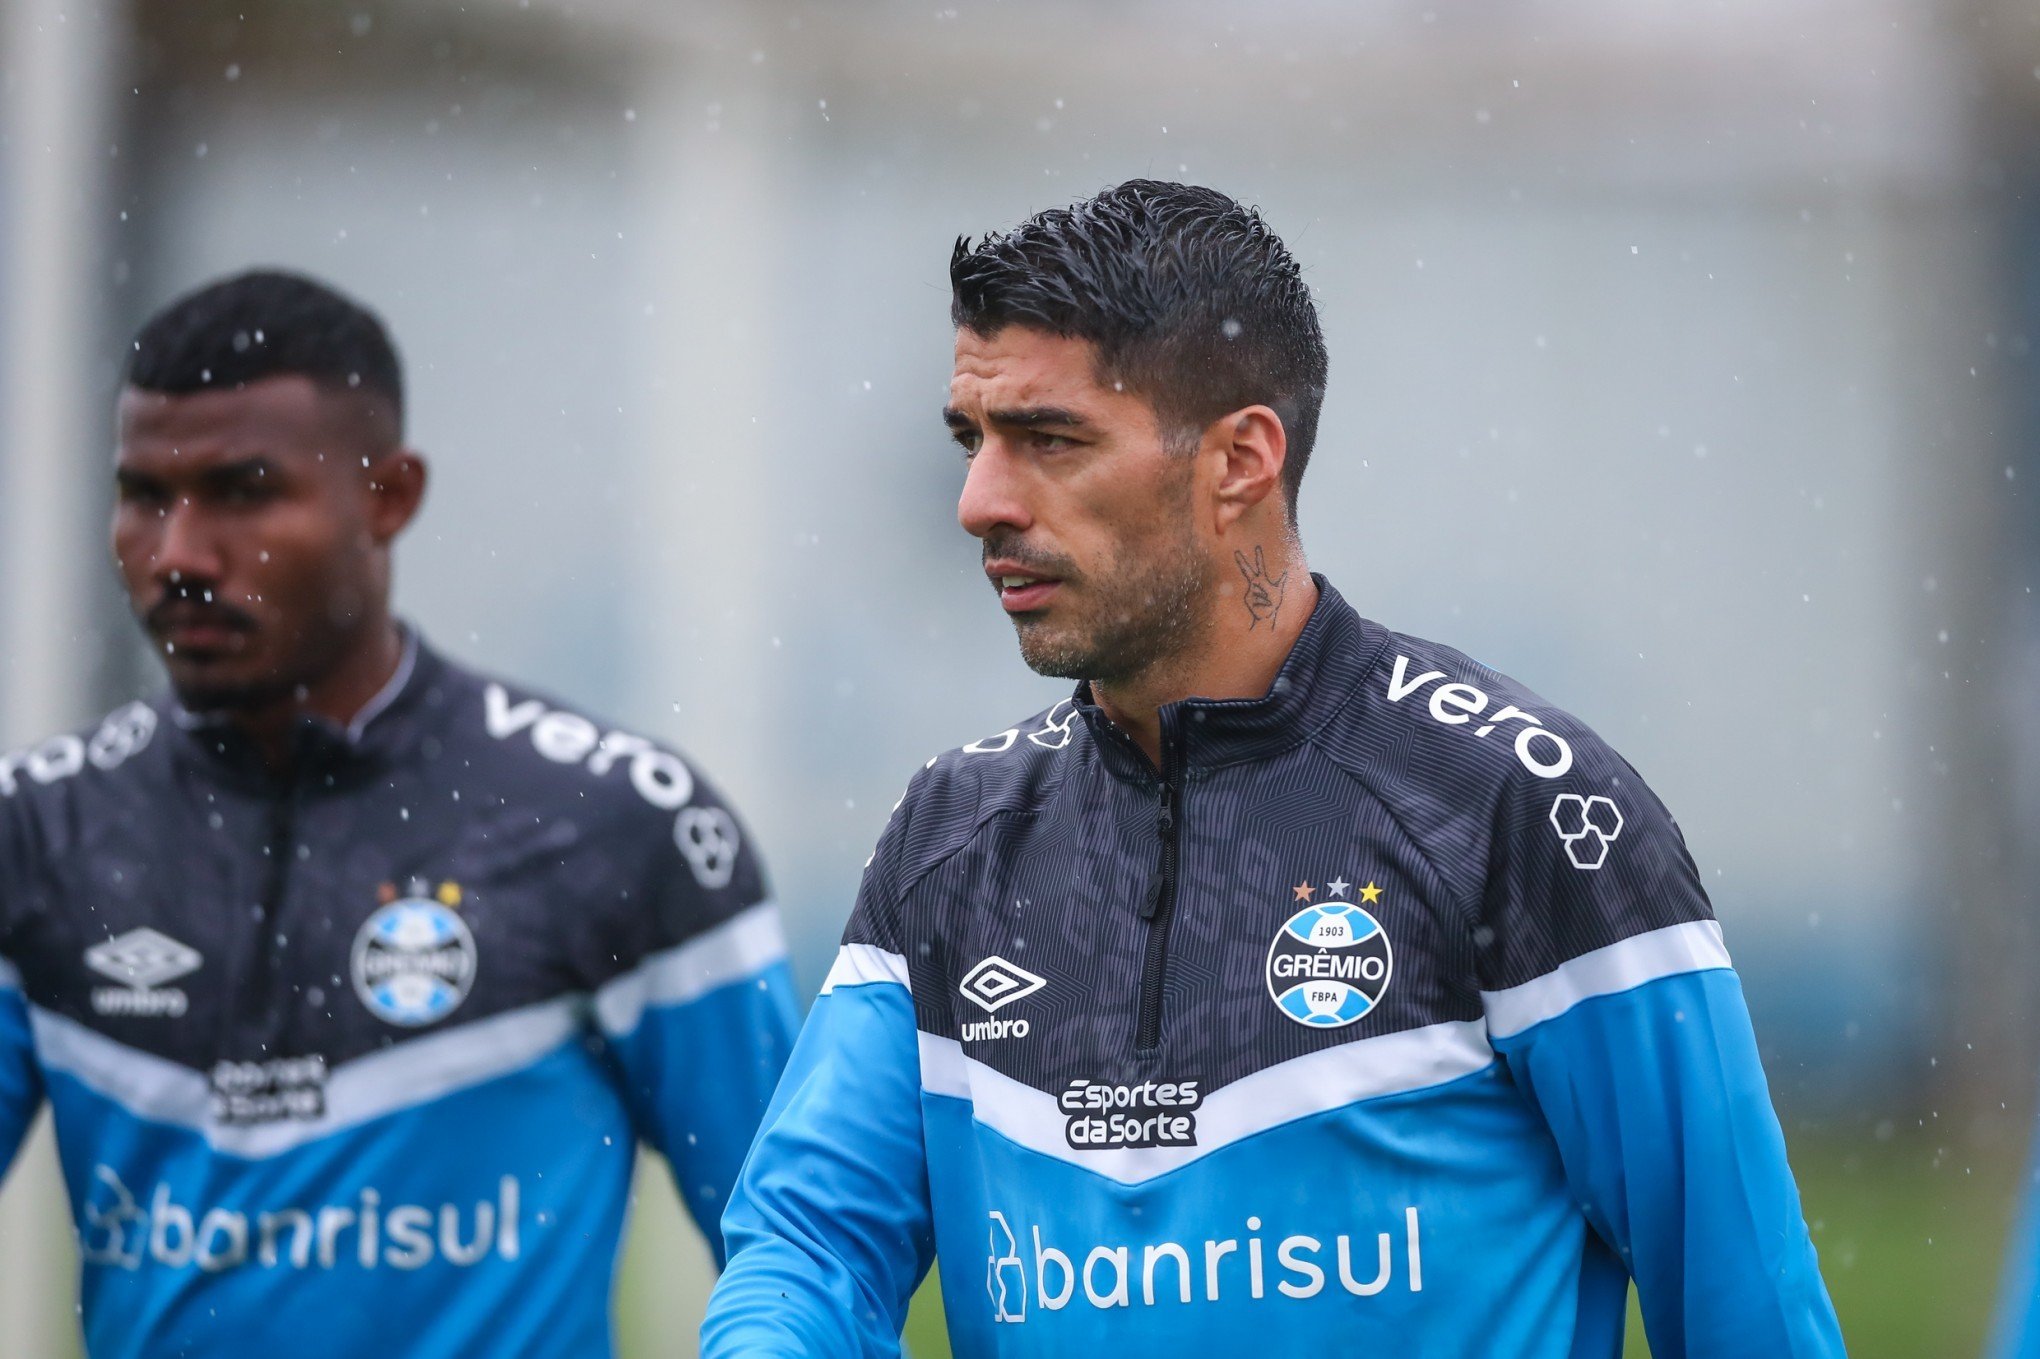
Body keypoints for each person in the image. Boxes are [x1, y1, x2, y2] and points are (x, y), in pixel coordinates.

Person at [701, 181, 1846, 1357]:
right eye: (973, 440)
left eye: (1050, 440)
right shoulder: (955, 837)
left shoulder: (1516, 807)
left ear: (1241, 459)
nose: (979, 502)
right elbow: (811, 1246)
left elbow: (1744, 1305)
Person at [0, 270, 799, 1358]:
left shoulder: (615, 824)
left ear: (390, 495)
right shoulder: (40, 838)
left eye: (242, 490)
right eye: (145, 496)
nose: (179, 554)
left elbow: (803, 1256)